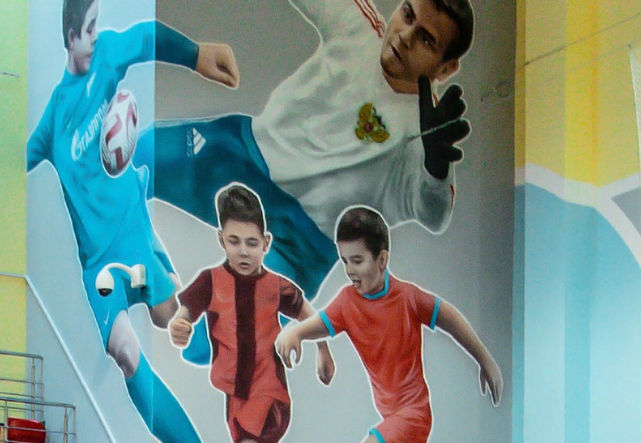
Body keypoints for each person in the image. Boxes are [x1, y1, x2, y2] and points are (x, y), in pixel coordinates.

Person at [26, 0, 238, 443]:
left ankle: (198, 316)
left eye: (99, 25)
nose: (99, 35)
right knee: (125, 351)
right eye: (91, 28)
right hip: (100, 271)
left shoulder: (108, 56)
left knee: (169, 317)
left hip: (134, 245)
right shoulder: (54, 118)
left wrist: (195, 53)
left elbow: (143, 36)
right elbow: (17, 159)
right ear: (71, 37)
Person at [147, 0, 477, 300]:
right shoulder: (359, 30)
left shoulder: (428, 132)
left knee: (214, 344)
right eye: (407, 15)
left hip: (299, 245)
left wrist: (435, 167)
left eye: (426, 40)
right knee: (133, 153)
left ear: (445, 69)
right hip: (241, 156)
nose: (405, 36)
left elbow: (435, 214)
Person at [276, 205, 503, 443]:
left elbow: (450, 319)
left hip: (413, 415)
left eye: (358, 261)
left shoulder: (407, 297)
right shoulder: (349, 302)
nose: (350, 271)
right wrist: (295, 332)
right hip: (395, 416)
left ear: (382, 259)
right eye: (344, 261)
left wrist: (485, 360)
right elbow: (322, 324)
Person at [170, 183, 333, 443]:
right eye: (233, 241)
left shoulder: (276, 286)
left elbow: (309, 313)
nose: (243, 251)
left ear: (267, 243)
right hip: (235, 399)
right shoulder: (210, 281)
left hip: (270, 392)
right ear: (221, 240)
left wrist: (323, 351)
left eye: (251, 242)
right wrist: (179, 324)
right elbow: (184, 312)